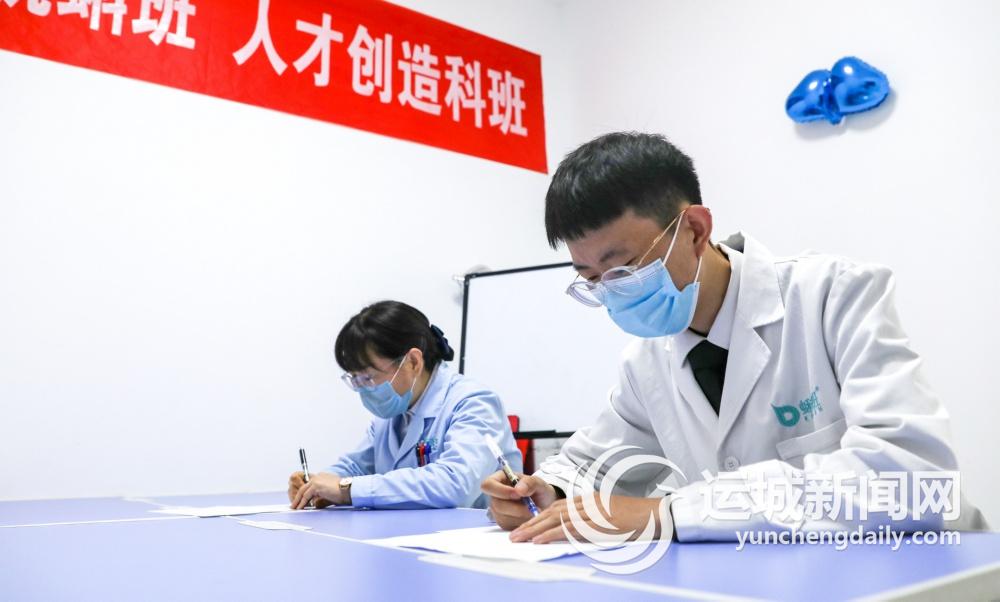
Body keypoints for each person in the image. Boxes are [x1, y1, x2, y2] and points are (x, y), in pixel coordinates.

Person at [482, 132, 988, 543]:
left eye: (626, 269)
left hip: (925, 573)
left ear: (695, 230)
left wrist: (672, 513)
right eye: (592, 279)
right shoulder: (646, 362)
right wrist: (544, 490)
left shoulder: (834, 295)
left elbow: (912, 479)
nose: (613, 294)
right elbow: (593, 465)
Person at [290, 300, 521, 510]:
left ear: (412, 362)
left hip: (474, 536)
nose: (363, 389)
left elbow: (455, 484)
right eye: (355, 379)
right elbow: (356, 466)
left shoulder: (474, 402)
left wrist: (345, 489)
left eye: (368, 377)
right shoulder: (393, 411)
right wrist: (316, 484)